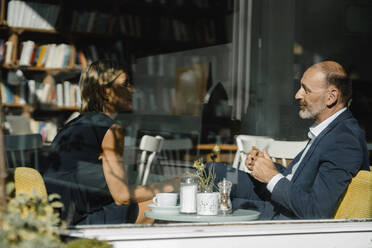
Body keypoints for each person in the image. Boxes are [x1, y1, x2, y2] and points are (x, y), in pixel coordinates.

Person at [214, 61, 369, 220]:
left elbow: (316, 211)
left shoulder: (345, 140)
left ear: (331, 97)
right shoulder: (329, 129)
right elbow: (298, 179)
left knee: (213, 200)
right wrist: (267, 166)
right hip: (279, 199)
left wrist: (272, 177)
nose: (297, 95)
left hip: (283, 218)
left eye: (306, 90)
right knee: (214, 172)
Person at [43, 59, 180, 225]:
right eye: (125, 84)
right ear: (106, 91)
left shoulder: (74, 125)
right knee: (155, 206)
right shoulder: (110, 129)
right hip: (75, 224)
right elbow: (121, 196)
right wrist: (173, 184)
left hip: (54, 218)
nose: (133, 90)